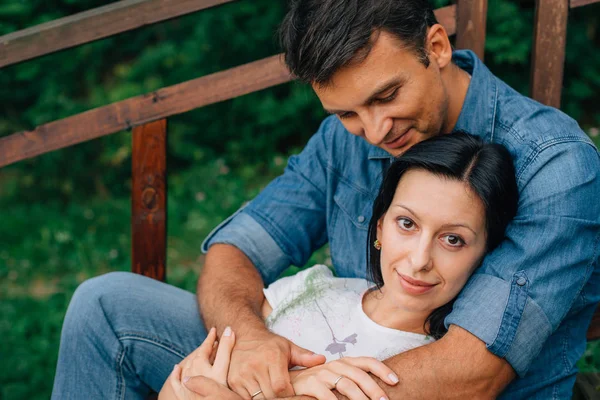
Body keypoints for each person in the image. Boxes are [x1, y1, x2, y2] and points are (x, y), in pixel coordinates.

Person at [51, 0, 600, 399]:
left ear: (435, 47)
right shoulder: (348, 138)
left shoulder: (554, 164)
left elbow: (471, 374)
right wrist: (250, 341)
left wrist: (287, 393)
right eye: (346, 111)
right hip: (321, 363)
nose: (376, 129)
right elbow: (236, 251)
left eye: (387, 95)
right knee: (107, 307)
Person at [158, 133, 519, 400]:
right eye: (407, 224)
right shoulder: (313, 288)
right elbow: (183, 384)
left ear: (485, 254)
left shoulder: (435, 370)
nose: (420, 259)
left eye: (452, 240)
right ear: (380, 227)